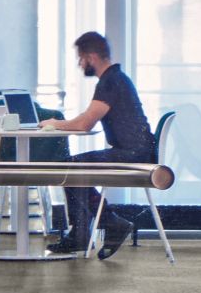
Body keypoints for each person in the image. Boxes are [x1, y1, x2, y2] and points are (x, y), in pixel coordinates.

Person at [48, 31, 158, 262]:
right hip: (136, 151)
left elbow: (85, 123)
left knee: (69, 167)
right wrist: (68, 123)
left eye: (81, 58)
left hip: (133, 154)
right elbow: (88, 116)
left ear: (92, 57)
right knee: (71, 167)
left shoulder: (110, 81)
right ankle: (89, 230)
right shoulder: (114, 79)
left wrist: (54, 124)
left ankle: (106, 225)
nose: (80, 64)